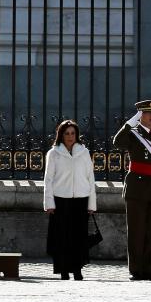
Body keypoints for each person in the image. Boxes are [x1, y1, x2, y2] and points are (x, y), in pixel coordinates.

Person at [113, 100, 151, 281]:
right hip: (137, 188)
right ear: (140, 116)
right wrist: (129, 123)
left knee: (150, 231)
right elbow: (117, 142)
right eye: (148, 113)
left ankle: (147, 269)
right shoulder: (132, 133)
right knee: (136, 231)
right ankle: (136, 270)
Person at [43, 120, 96, 281]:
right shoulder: (54, 153)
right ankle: (64, 270)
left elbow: (90, 178)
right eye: (67, 133)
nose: (70, 136)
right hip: (60, 201)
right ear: (61, 135)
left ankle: (77, 270)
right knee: (62, 238)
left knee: (78, 237)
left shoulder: (84, 152)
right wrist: (49, 203)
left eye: (73, 133)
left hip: (80, 200)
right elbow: (48, 179)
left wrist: (91, 204)